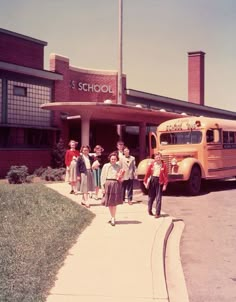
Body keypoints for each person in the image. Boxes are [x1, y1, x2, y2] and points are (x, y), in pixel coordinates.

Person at [101, 152, 125, 226]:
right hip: (108, 183)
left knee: (114, 202)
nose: (113, 160)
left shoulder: (118, 166)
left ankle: (113, 217)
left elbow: (121, 177)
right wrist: (103, 187)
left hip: (116, 184)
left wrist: (121, 178)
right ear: (109, 159)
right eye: (112, 159)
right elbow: (102, 177)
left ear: (116, 159)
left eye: (114, 159)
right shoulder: (106, 166)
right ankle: (112, 216)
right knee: (110, 203)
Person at [143, 152, 168, 218]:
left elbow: (165, 176)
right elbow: (147, 173)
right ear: (154, 158)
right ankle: (149, 209)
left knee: (158, 197)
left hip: (159, 181)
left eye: (159, 157)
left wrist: (165, 184)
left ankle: (157, 213)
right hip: (153, 180)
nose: (158, 159)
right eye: (156, 158)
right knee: (151, 196)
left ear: (161, 158)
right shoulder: (152, 164)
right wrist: (145, 181)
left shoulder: (164, 165)